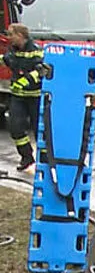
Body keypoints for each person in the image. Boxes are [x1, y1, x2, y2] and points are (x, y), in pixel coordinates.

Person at [4, 24, 43, 172]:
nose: (8, 38)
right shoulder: (13, 50)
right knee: (15, 128)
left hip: (35, 97)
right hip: (17, 97)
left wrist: (25, 81)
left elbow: (42, 70)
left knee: (40, 130)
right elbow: (7, 60)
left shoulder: (36, 50)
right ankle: (26, 157)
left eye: (11, 34)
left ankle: (44, 161)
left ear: (20, 35)